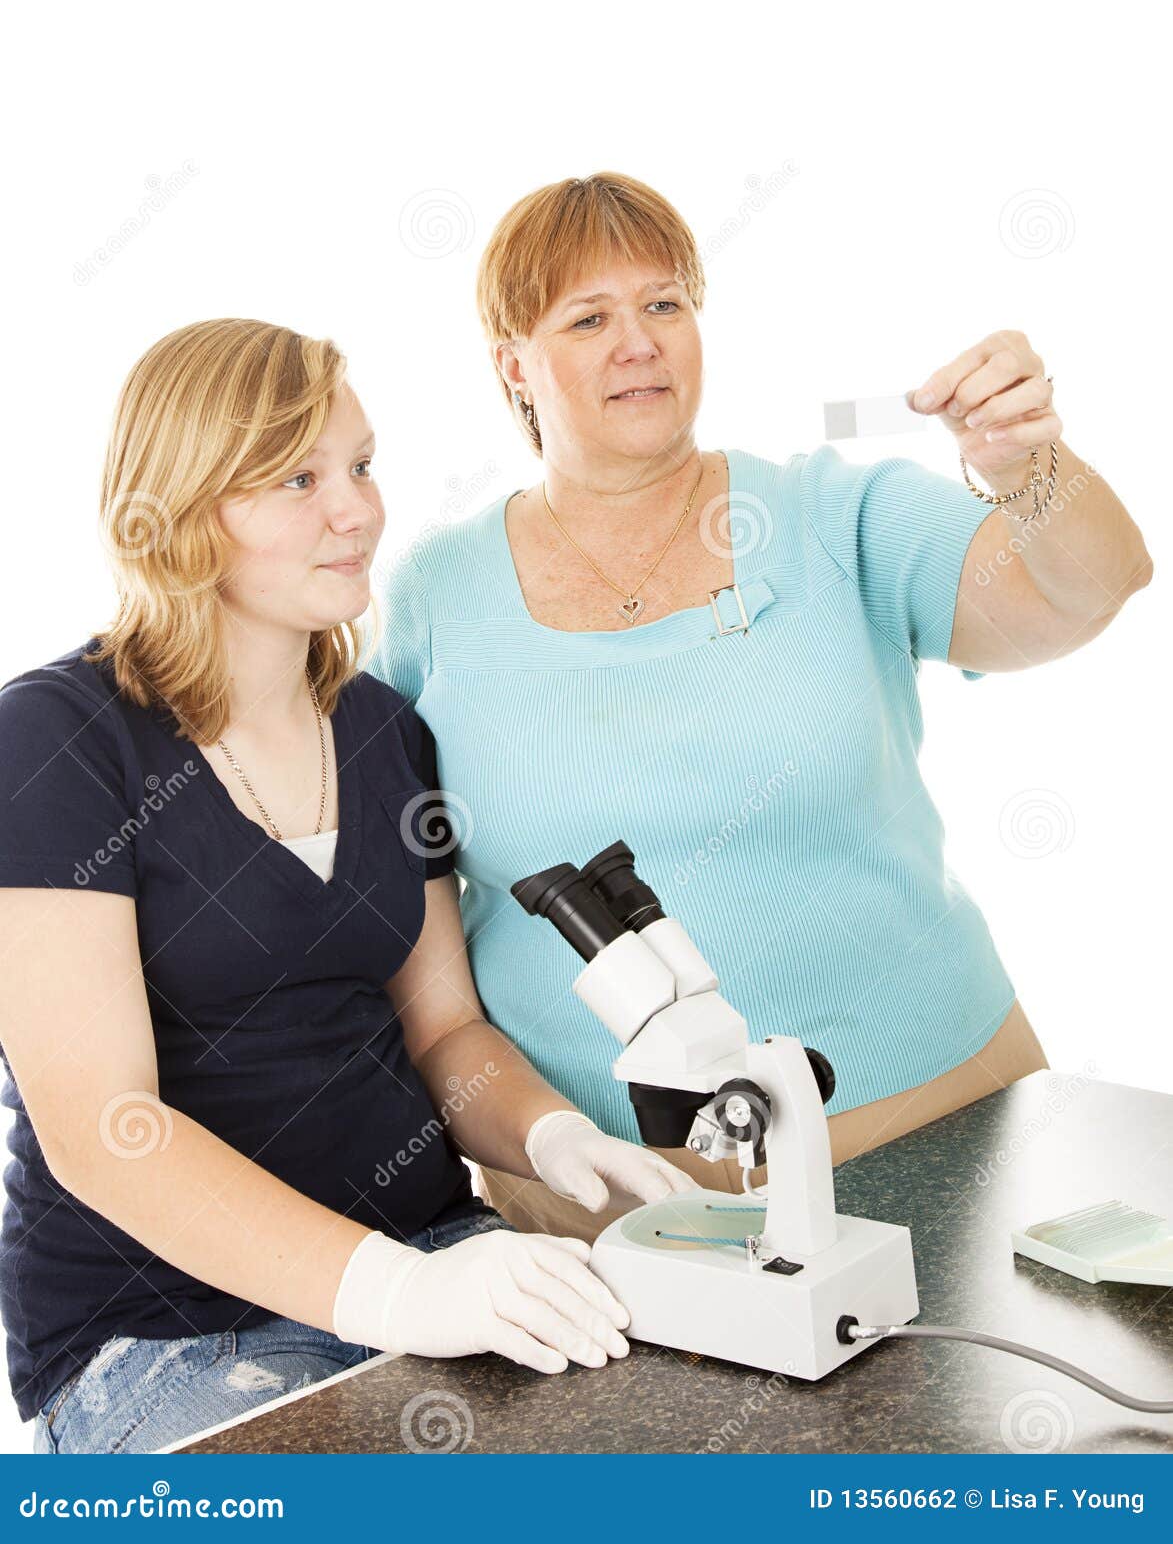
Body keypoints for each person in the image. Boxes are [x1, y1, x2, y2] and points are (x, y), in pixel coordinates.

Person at [371, 171, 1153, 1245]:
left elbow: (1090, 587)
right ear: (513, 363)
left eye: (664, 304)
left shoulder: (834, 515)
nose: (637, 341)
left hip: (944, 1134)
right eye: (588, 318)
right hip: (614, 1208)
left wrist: (1031, 467)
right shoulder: (431, 594)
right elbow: (399, 914)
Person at [0, 318, 697, 1454]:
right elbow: (98, 1126)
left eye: (363, 465)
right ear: (179, 507)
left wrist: (557, 1140)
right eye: (298, 478)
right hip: (169, 1331)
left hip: (436, 1253)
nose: (358, 510)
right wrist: (395, 1298)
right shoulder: (57, 740)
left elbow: (444, 1031)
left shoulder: (380, 732)